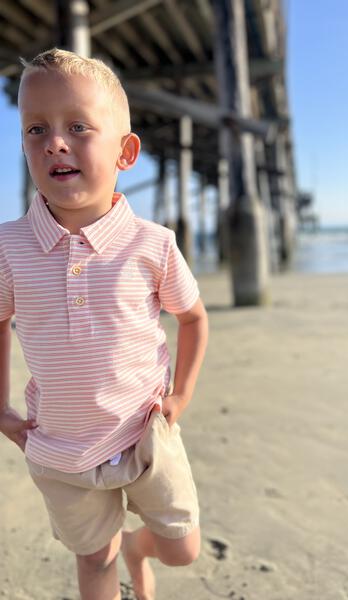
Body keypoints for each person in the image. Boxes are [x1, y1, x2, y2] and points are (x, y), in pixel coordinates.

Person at [0, 48, 208, 600]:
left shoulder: (152, 244)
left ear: (126, 151)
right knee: (94, 558)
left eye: (78, 127)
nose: (55, 143)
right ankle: (118, 556)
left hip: (145, 434)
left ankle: (142, 550)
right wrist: (1, 407)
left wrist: (180, 395)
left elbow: (192, 317)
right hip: (61, 446)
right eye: (36, 129)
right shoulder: (10, 247)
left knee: (181, 548)